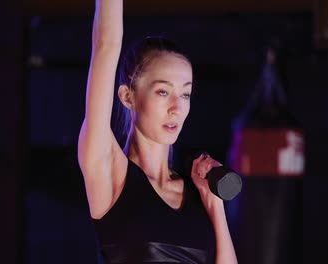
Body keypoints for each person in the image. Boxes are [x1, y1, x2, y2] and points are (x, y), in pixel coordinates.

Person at [77, 0, 238, 263]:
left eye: (185, 93)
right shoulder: (109, 171)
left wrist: (214, 204)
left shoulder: (198, 194)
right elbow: (106, 45)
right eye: (163, 92)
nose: (177, 107)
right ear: (128, 96)